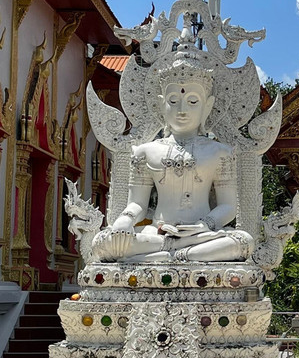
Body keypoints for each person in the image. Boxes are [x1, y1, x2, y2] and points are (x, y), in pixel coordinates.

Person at [89, 46, 253, 263]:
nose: (182, 110)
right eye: (173, 101)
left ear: (207, 106)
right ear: (161, 104)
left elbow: (228, 206)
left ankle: (170, 255)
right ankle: (177, 252)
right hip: (158, 232)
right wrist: (125, 220)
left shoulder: (220, 152)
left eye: (193, 101)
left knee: (244, 242)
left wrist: (204, 225)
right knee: (103, 243)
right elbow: (138, 203)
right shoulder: (146, 151)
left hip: (202, 234)